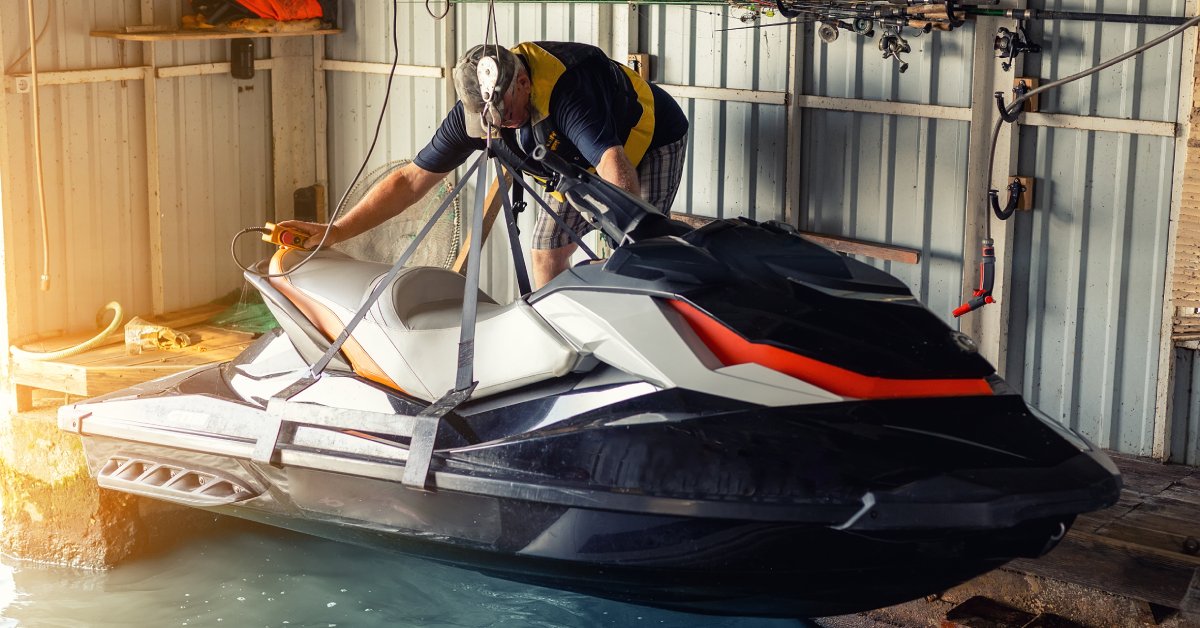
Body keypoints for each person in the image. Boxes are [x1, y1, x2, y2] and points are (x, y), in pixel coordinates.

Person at [280, 41, 689, 288]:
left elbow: (614, 166)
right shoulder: (477, 113)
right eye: (485, 121)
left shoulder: (569, 90)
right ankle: (563, 349)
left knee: (639, 253)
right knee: (545, 252)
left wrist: (622, 244)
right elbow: (410, 181)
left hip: (647, 139)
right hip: (573, 161)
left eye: (505, 113)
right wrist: (335, 231)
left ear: (523, 83)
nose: (496, 127)